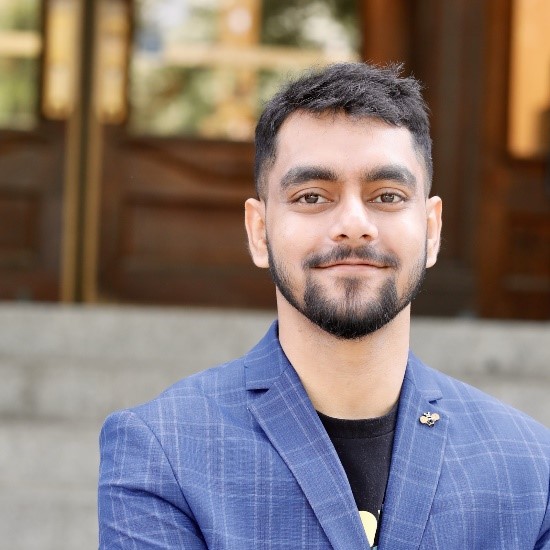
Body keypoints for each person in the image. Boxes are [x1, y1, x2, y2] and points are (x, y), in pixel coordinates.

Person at [98, 63, 550, 549]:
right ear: (258, 231)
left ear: (432, 229)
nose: (354, 224)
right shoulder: (162, 450)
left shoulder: (531, 467)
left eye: (388, 196)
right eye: (312, 196)